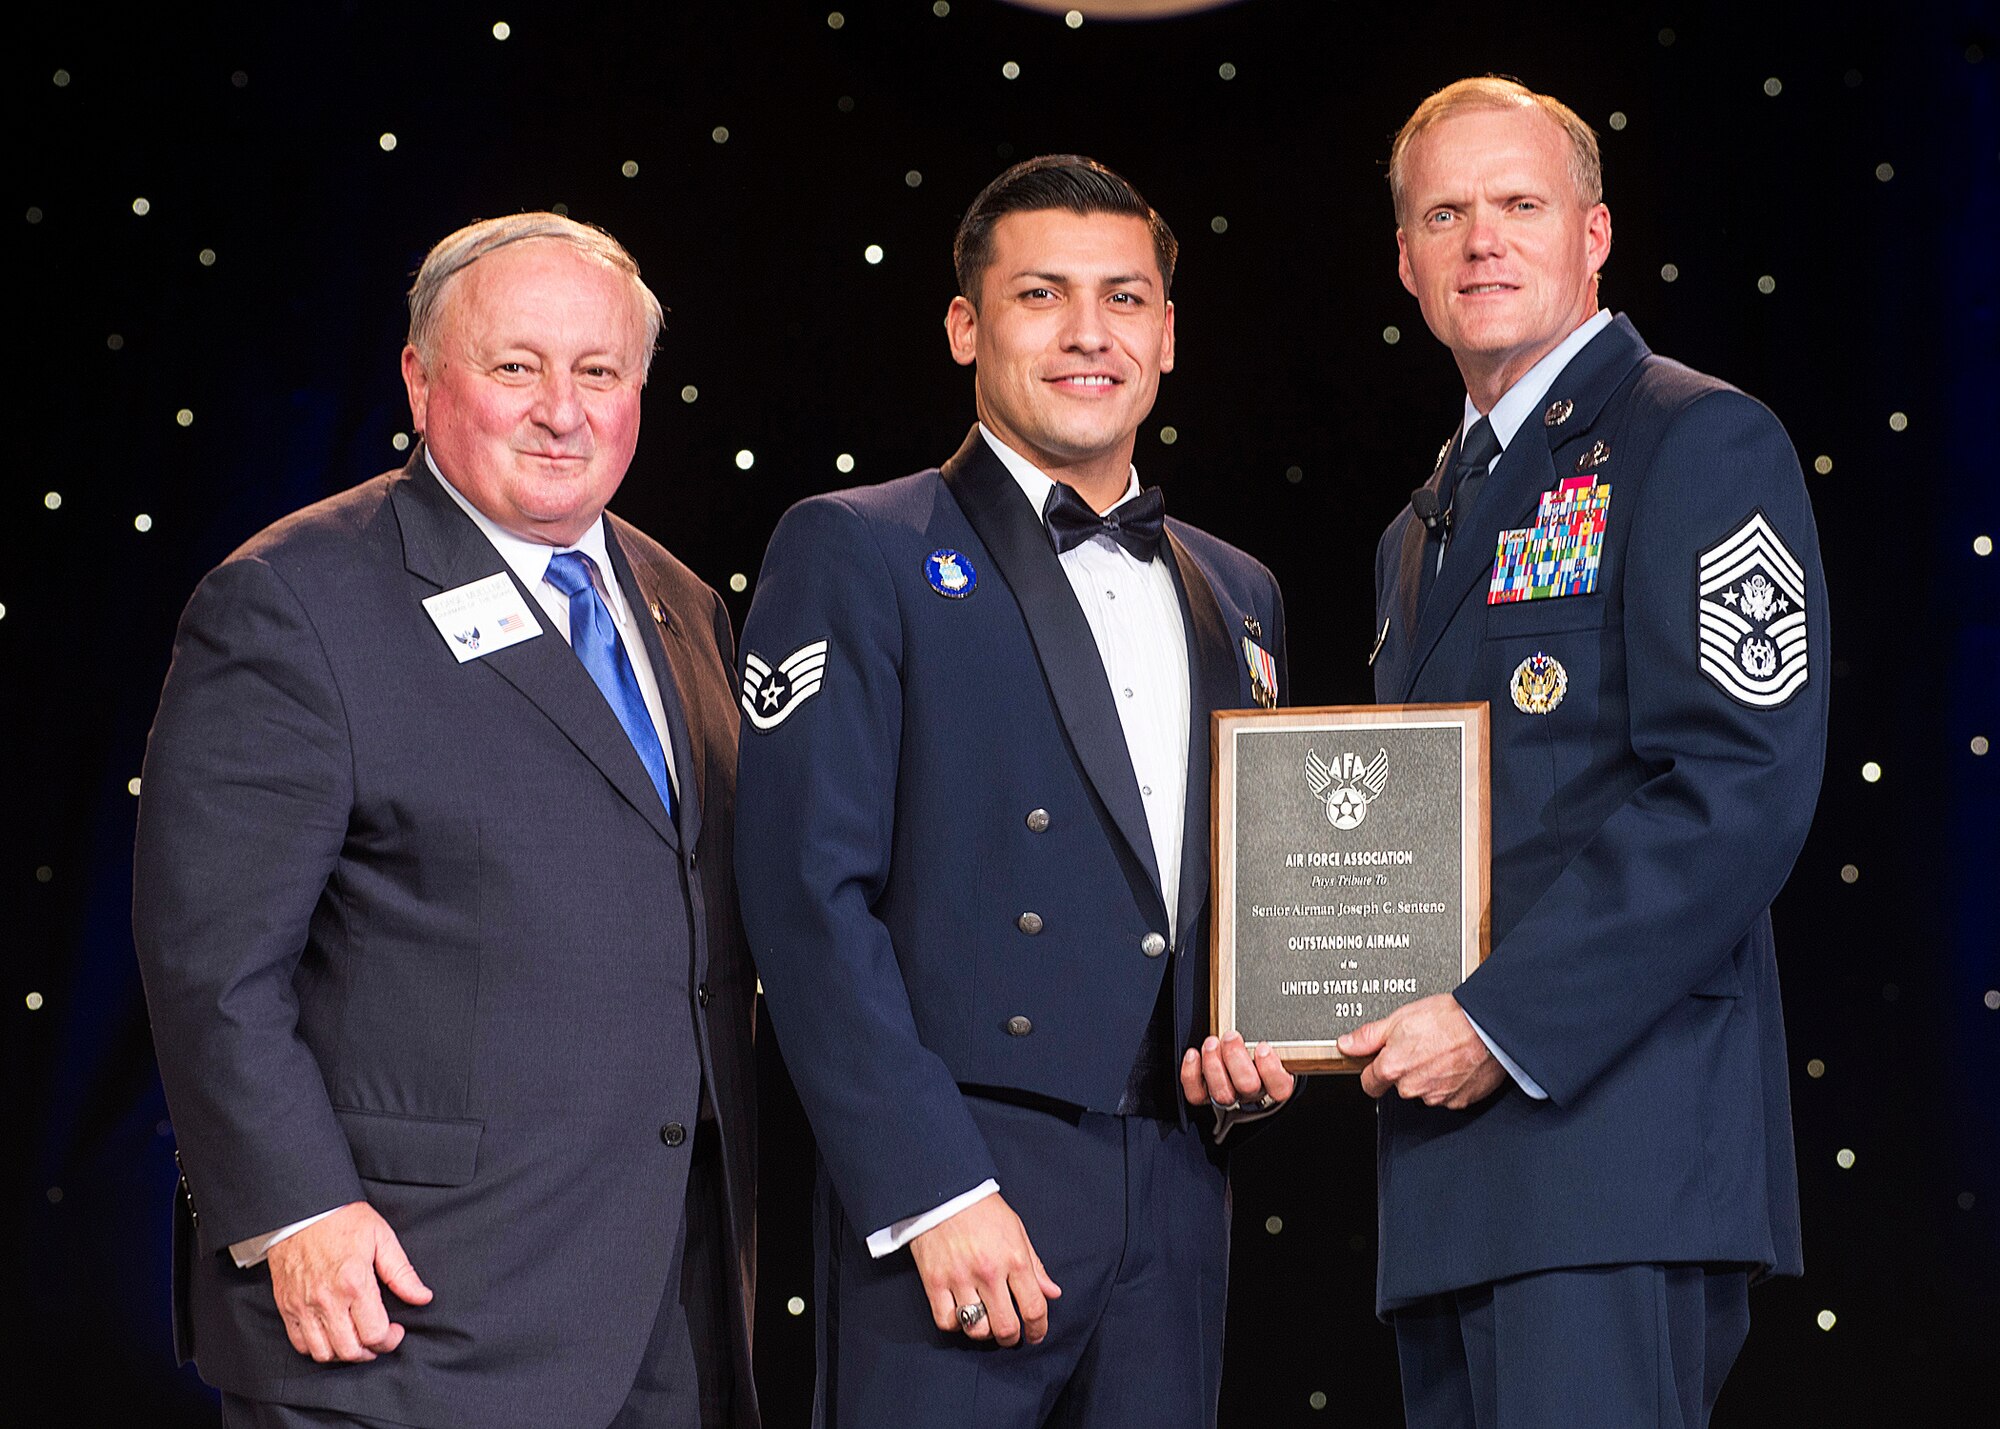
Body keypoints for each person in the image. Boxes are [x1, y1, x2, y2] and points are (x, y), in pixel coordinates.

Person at [132, 213, 759, 1429]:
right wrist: (294, 1209)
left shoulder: (681, 601)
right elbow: (211, 963)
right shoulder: (292, 601)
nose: (561, 411)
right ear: (421, 378)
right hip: (401, 1316)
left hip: (660, 1316)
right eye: (515, 367)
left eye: (599, 373)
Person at [733, 155, 1295, 1426]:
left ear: (1166, 333)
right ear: (964, 327)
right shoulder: (857, 544)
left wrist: (1260, 1046)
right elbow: (804, 898)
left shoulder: (1237, 588)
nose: (1088, 334)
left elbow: (1236, 882)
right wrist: (931, 1189)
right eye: (1040, 295)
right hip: (963, 1175)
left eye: (1124, 298)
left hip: (1175, 1185)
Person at [1343, 77, 1828, 1425]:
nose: (1481, 240)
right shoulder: (1421, 522)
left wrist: (1500, 1021)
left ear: (1594, 234)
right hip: (1451, 1170)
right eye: (1445, 212)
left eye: (1518, 204)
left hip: (1612, 1147)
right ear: (1406, 261)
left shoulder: (1695, 437)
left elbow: (1739, 785)